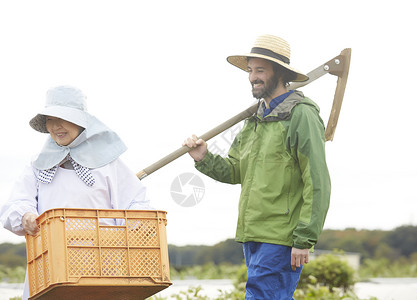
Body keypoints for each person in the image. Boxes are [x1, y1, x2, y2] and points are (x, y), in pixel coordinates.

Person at [184, 34, 331, 299]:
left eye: (260, 70)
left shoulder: (301, 115)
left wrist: (304, 239)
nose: (253, 77)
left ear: (280, 72)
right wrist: (204, 157)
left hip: (281, 236)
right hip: (252, 233)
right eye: (251, 70)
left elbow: (317, 180)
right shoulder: (254, 119)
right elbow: (236, 171)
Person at [0, 85, 151, 300]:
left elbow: (138, 204)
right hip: (52, 267)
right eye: (50, 119)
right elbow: (15, 204)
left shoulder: (108, 163)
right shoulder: (38, 163)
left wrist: (134, 227)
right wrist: (25, 216)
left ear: (81, 121)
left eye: (63, 118)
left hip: (103, 266)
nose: (56, 126)